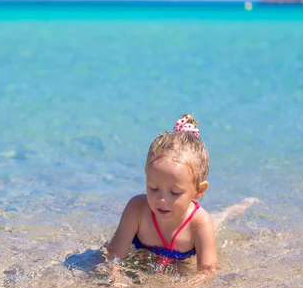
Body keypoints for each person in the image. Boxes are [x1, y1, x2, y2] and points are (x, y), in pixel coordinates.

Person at [107, 114, 256, 275]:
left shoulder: (199, 223)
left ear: (199, 191)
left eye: (175, 192)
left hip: (190, 240)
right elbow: (113, 256)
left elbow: (207, 271)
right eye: (153, 188)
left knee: (218, 220)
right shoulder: (137, 209)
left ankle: (234, 209)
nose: (162, 199)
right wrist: (116, 278)